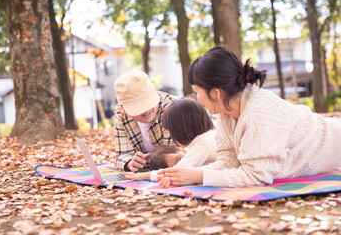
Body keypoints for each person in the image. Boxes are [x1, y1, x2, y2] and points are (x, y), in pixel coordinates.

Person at [157, 46, 341, 188]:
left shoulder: (257, 115)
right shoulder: (226, 111)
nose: (197, 98)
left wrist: (199, 176)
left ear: (216, 93)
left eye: (197, 90)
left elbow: (257, 176)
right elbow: (228, 161)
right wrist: (186, 174)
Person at [124, 97, 217, 181]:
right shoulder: (209, 136)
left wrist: (143, 176)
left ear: (181, 131)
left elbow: (176, 172)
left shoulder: (202, 145)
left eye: (172, 132)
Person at [113, 71, 177, 172]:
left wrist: (143, 163)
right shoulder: (121, 113)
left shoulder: (173, 108)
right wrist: (129, 162)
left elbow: (169, 160)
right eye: (139, 107)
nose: (147, 110)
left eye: (148, 102)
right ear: (124, 108)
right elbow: (122, 155)